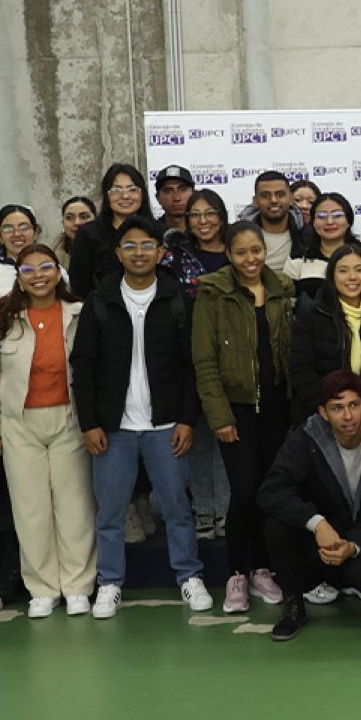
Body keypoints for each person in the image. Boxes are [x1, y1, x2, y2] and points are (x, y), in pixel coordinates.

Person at [70, 216, 211, 618]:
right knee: (111, 511)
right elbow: (83, 367)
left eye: (146, 245)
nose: (138, 253)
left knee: (176, 509)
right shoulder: (100, 301)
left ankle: (189, 576)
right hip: (114, 428)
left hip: (165, 425)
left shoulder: (179, 300)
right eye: (129, 246)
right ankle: (109, 583)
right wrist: (90, 422)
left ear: (160, 251)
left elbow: (192, 366)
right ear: (118, 253)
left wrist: (187, 419)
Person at [0, 241, 95, 618]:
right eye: (29, 270)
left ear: (58, 273)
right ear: (19, 279)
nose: (38, 276)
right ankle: (42, 588)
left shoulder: (80, 313)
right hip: (19, 425)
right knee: (30, 510)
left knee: (74, 507)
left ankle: (77, 586)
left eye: (46, 268)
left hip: (69, 421)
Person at [193, 220, 296, 611]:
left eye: (256, 250)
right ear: (229, 255)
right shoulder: (213, 293)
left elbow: (287, 353)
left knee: (270, 492)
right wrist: (219, 417)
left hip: (275, 408)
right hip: (235, 410)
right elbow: (204, 361)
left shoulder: (281, 289)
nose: (251, 259)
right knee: (245, 490)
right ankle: (237, 573)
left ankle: (263, 570)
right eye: (241, 252)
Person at [257, 371, 361, 641]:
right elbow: (270, 490)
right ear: (323, 412)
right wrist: (316, 522)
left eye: (353, 405)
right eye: (337, 408)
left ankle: (358, 587)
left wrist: (354, 546)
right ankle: (294, 605)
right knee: (276, 525)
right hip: (321, 542)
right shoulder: (306, 439)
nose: (348, 416)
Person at [158, 188, 232, 541]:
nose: (203, 221)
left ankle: (228, 511)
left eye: (210, 213)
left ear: (222, 216)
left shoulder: (237, 253)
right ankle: (203, 509)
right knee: (200, 438)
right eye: (195, 215)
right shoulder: (173, 258)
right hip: (187, 357)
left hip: (233, 358)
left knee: (229, 437)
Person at [291, 243, 361, 422]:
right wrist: (330, 409)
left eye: (359, 270)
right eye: (343, 271)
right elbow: (301, 371)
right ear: (332, 275)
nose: (352, 277)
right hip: (321, 414)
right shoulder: (312, 315)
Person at [284, 191, 361, 303]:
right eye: (322, 216)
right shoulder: (298, 259)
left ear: (349, 220)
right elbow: (289, 305)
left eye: (337, 215)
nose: (329, 221)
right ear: (313, 222)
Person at [68, 164, 157, 298]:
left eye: (132, 189)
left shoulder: (158, 231)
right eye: (116, 190)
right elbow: (79, 284)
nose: (125, 196)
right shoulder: (88, 234)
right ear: (106, 195)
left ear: (142, 194)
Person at [0, 204, 50, 317]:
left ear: (35, 233)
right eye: (8, 229)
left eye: (23, 227)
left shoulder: (54, 269)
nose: (17, 234)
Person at [239, 169, 307, 274]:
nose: (273, 200)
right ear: (255, 201)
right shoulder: (238, 236)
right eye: (265, 196)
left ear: (290, 199)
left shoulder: (307, 235)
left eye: (280, 195)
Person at [55, 195, 95, 270]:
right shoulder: (50, 256)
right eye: (69, 218)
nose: (77, 223)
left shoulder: (111, 252)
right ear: (63, 223)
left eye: (84, 217)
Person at [154, 164, 195, 234]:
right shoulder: (150, 233)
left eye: (183, 190)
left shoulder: (204, 231)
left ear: (193, 193)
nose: (177, 198)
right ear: (158, 198)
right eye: (168, 191)